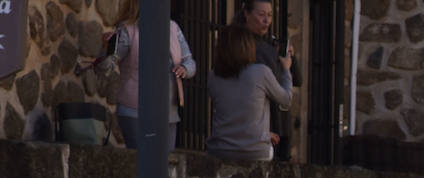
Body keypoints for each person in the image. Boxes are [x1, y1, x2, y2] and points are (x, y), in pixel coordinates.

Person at [101, 0, 195, 151]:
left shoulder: (173, 28)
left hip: (168, 113)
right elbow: (106, 66)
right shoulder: (127, 30)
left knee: (165, 167)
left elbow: (190, 62)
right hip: (135, 111)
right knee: (142, 164)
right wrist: (108, 49)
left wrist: (185, 68)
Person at [206, 22, 291, 161]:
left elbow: (233, 114)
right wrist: (286, 70)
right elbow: (286, 100)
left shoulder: (214, 76)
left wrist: (264, 133)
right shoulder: (260, 72)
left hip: (219, 148)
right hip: (255, 150)